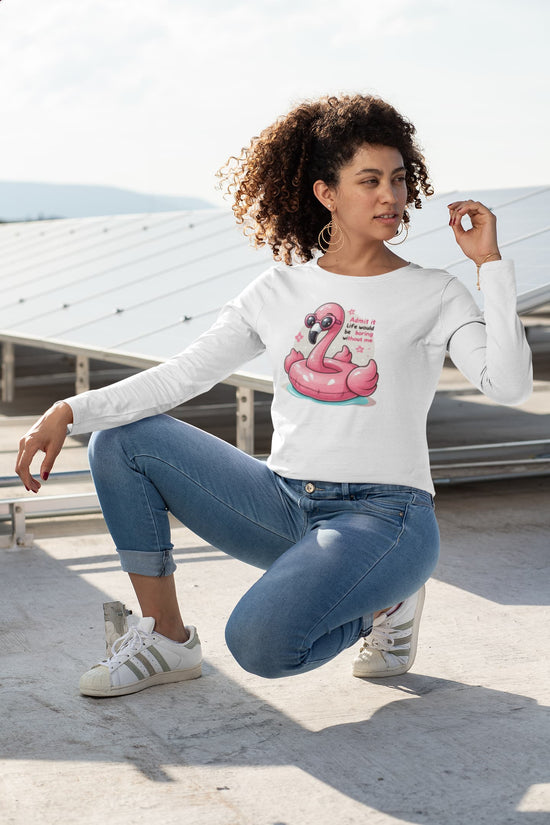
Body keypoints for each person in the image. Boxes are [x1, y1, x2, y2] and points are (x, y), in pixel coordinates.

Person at [16, 94, 532, 697]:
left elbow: (508, 383)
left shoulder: (435, 292)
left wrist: (490, 265)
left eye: (397, 179)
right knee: (121, 441)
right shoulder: (277, 291)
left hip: (386, 516)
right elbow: (182, 376)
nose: (390, 196)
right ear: (326, 193)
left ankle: (385, 603)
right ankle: (166, 637)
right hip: (284, 501)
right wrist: (69, 410)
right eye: (369, 181)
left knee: (260, 644)